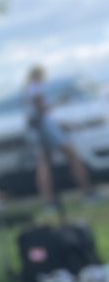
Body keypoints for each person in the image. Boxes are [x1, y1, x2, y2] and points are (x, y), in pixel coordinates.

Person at [24, 65, 92, 208]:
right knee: (70, 157)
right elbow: (41, 110)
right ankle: (86, 192)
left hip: (41, 128)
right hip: (44, 129)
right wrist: (57, 104)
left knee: (44, 163)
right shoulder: (35, 88)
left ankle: (49, 201)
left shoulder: (30, 89)